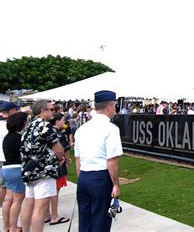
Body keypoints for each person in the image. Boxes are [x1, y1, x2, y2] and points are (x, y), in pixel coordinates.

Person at [75, 90, 123, 232]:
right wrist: (116, 184)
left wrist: (81, 178)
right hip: (100, 177)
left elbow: (78, 159)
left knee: (85, 221)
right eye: (114, 106)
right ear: (109, 107)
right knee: (100, 221)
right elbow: (112, 160)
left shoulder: (82, 129)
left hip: (84, 176)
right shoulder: (111, 129)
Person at [20, 100, 65, 232]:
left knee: (28, 203)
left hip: (29, 170)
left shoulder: (28, 127)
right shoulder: (45, 126)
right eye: (51, 109)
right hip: (44, 170)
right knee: (40, 207)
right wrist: (60, 157)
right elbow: (58, 148)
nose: (54, 111)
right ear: (42, 111)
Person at [2, 112, 28, 232]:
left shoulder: (7, 138)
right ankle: (14, 227)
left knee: (8, 199)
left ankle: (6, 226)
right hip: (17, 169)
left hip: (6, 169)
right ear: (21, 124)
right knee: (17, 200)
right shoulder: (20, 138)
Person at [46, 113, 71, 225]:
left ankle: (46, 214)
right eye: (62, 120)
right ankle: (54, 215)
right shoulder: (59, 135)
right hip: (57, 165)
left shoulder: (46, 131)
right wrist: (66, 160)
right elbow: (65, 149)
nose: (63, 122)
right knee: (55, 190)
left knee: (47, 191)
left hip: (46, 165)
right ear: (57, 121)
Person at [0, 102, 20, 226]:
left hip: (3, 160)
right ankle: (11, 224)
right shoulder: (8, 126)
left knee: (5, 191)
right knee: (10, 194)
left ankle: (6, 223)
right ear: (11, 111)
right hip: (8, 160)